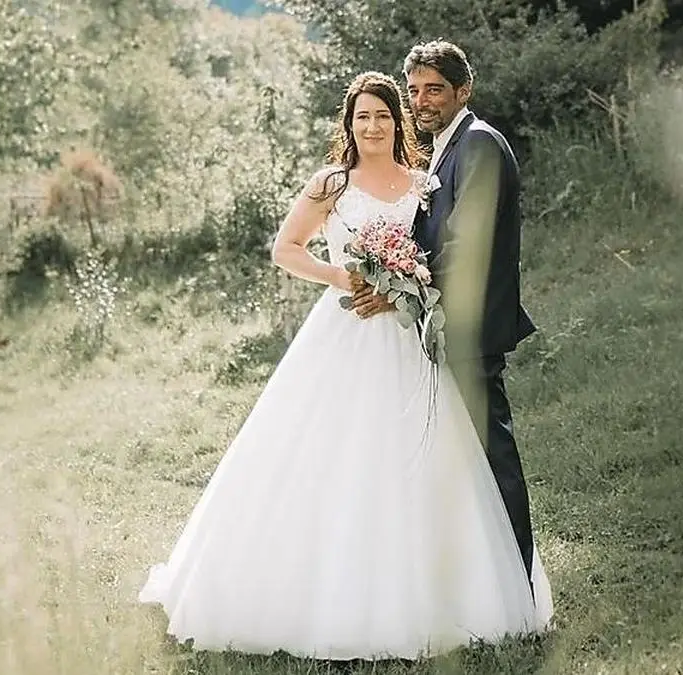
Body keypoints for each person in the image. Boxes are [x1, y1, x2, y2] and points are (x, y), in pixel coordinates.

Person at [137, 71, 552, 661]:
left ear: (397, 121)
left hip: (408, 336)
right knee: (328, 454)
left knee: (423, 458)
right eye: (363, 117)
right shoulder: (331, 182)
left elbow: (441, 251)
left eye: (384, 115)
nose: (374, 125)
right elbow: (286, 248)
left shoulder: (422, 183)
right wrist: (341, 276)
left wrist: (404, 281)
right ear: (349, 124)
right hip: (345, 329)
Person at [352, 40, 541, 594]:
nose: (421, 100)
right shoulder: (443, 148)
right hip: (443, 323)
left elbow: (464, 243)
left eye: (433, 89)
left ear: (464, 90)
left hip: (471, 325)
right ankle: (481, 581)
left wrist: (400, 286)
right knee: (462, 459)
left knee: (491, 454)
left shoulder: (479, 144)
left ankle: (517, 586)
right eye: (413, 91)